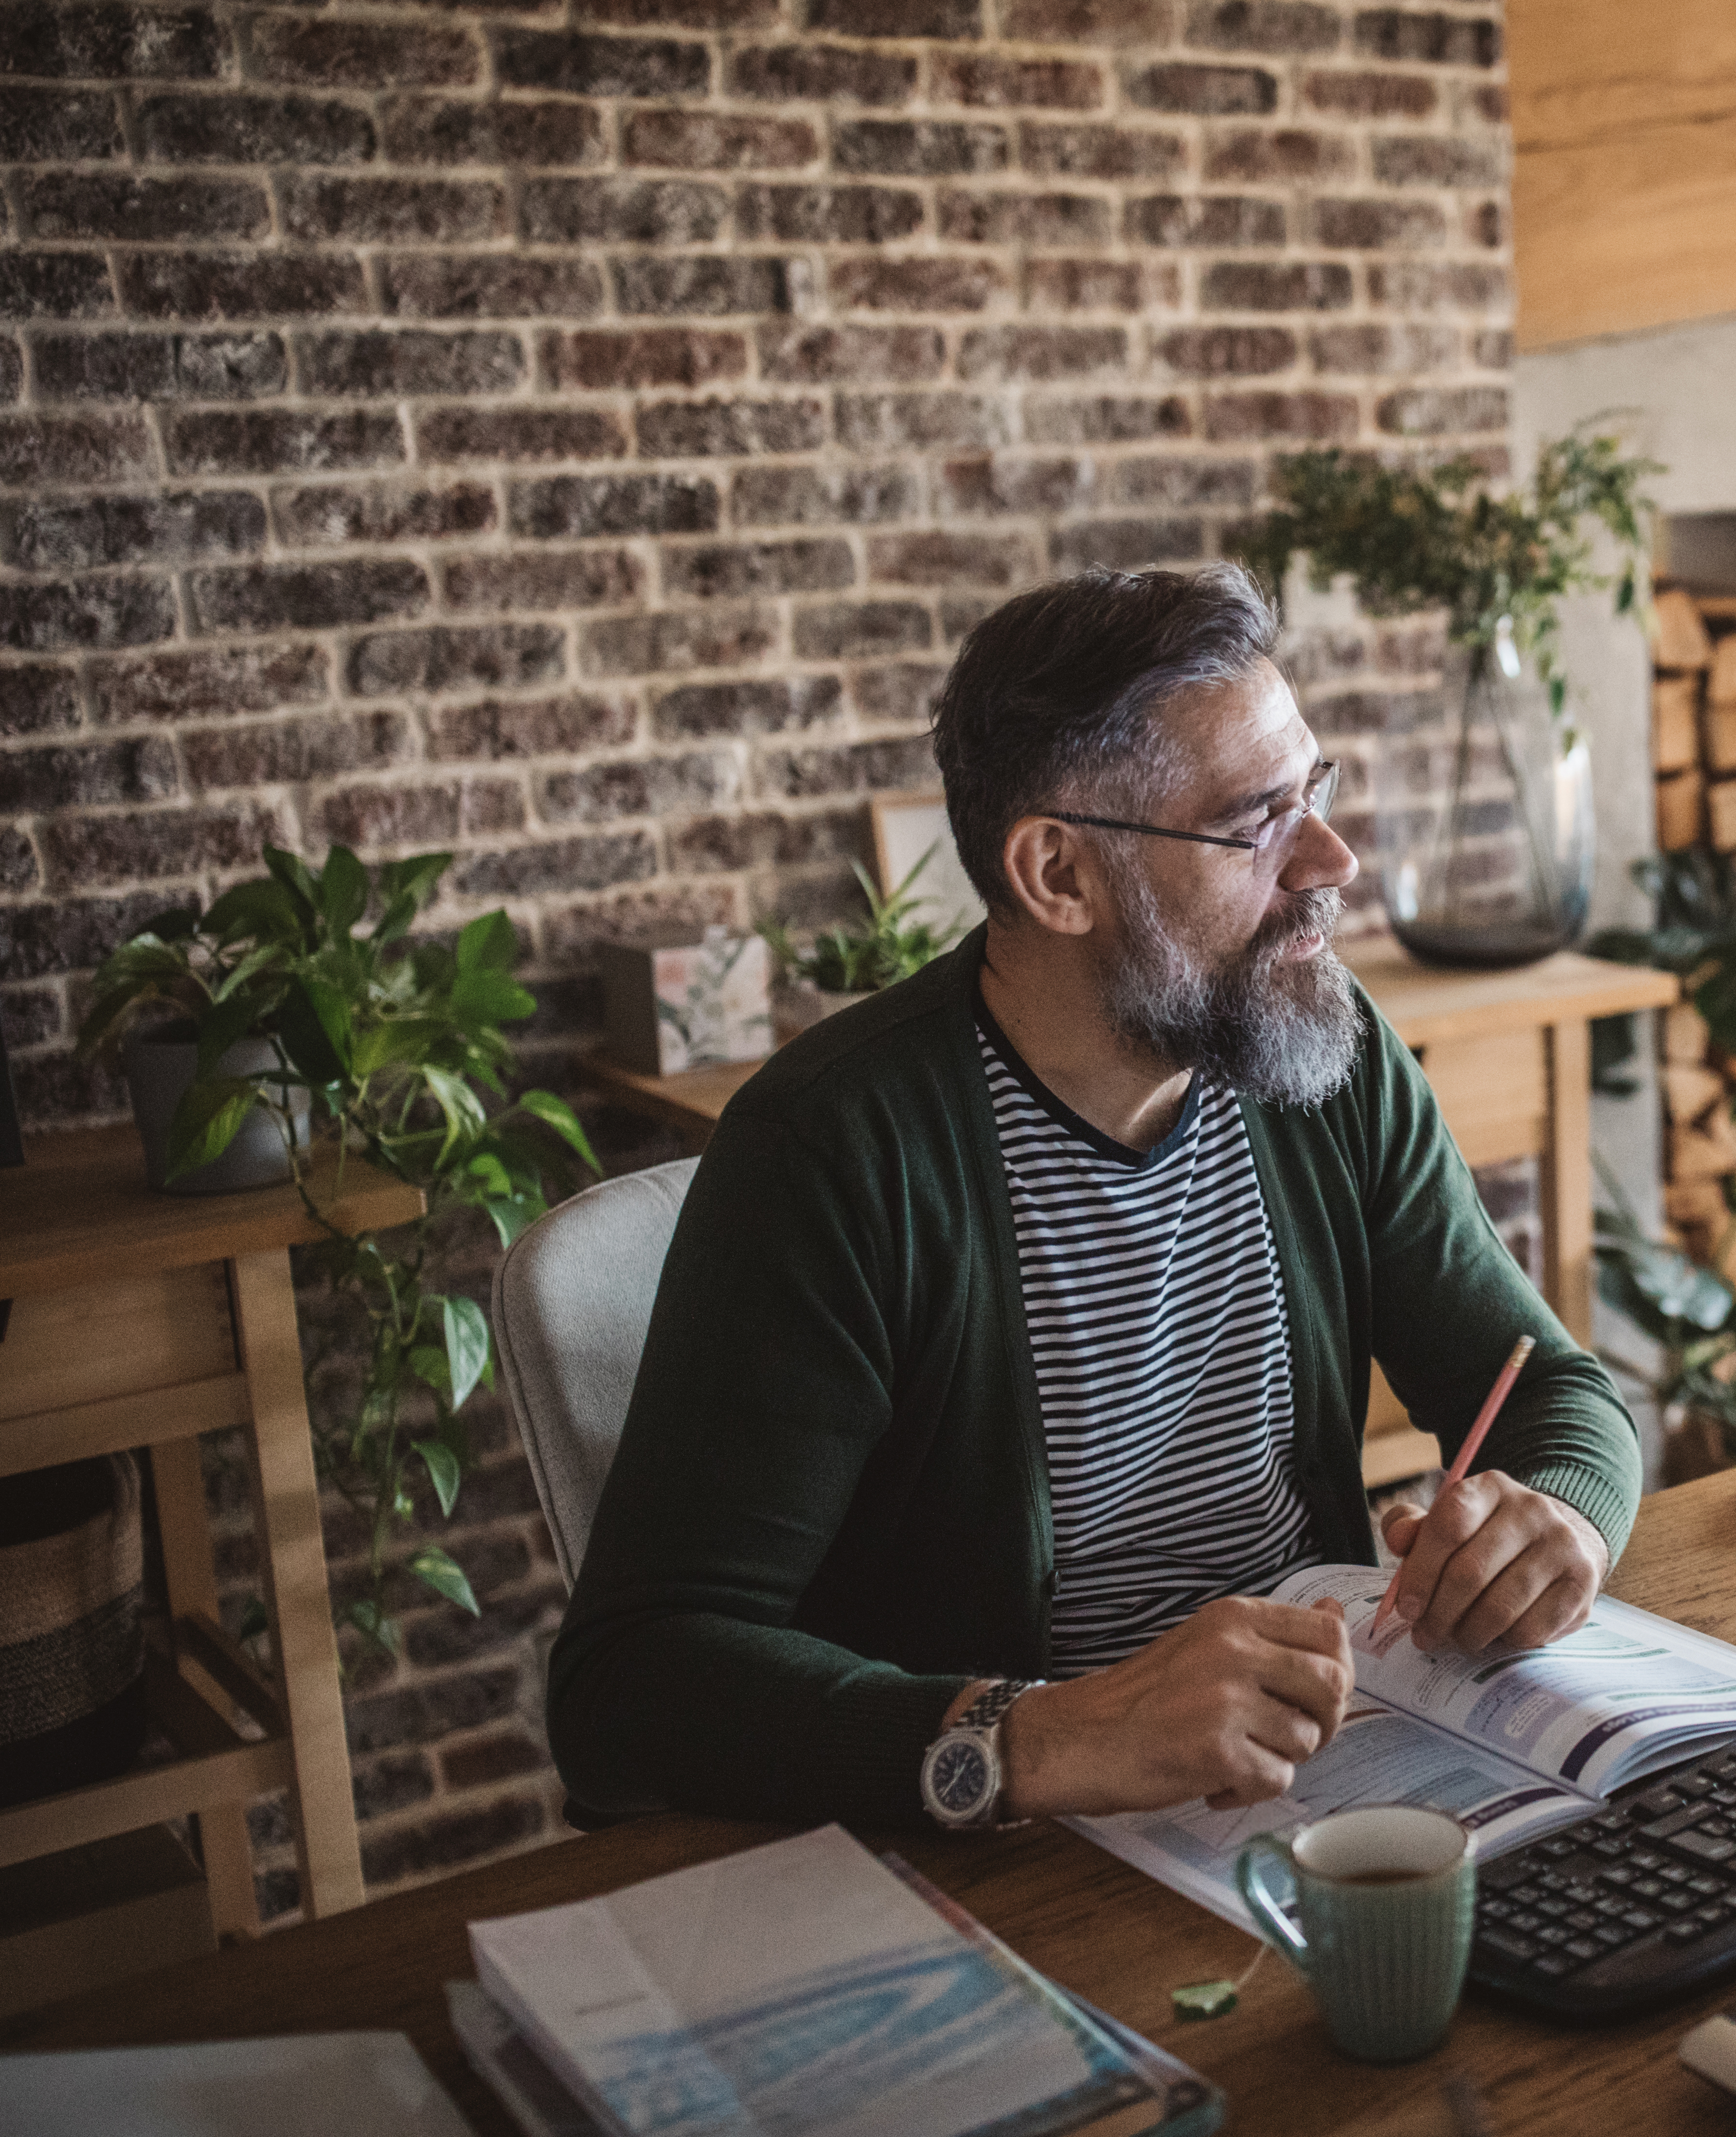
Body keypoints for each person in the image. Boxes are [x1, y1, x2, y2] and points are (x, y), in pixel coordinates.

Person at [548, 567, 1640, 1834]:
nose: (1332, 860)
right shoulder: (833, 1152)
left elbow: (1551, 1393)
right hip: (1010, 1852)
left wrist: (1558, 1518)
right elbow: (629, 1687)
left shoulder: (1315, 1055)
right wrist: (1050, 1737)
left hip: (1323, 1782)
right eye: (1256, 822)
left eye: (1316, 793)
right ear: (1058, 873)